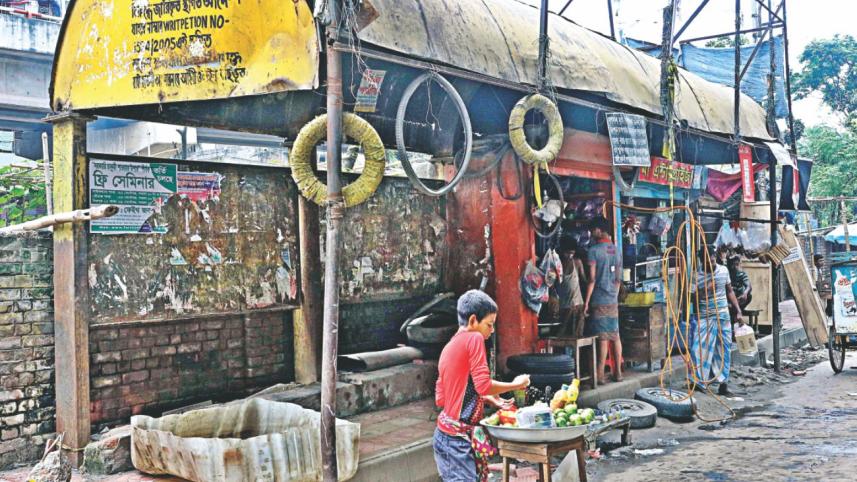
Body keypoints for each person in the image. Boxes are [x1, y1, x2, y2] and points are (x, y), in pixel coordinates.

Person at [433, 290, 530, 482]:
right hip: (456, 440)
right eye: (489, 324)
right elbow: (483, 385)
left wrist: (484, 398)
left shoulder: (450, 346)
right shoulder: (474, 338)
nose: (491, 330)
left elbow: (442, 398)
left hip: (444, 435)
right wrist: (515, 384)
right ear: (472, 321)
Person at [690, 249, 745, 397]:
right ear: (702, 260)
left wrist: (738, 311)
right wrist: (705, 289)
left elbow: (729, 291)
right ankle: (699, 382)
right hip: (704, 316)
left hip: (722, 315)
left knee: (723, 349)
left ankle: (723, 383)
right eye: (708, 260)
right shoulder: (696, 276)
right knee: (699, 349)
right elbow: (692, 299)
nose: (712, 262)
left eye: (713, 258)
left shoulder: (723, 271)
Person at [583, 217, 624, 383]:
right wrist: (614, 294)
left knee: (602, 337)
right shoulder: (616, 250)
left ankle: (599, 375)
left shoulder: (593, 251)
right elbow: (618, 279)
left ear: (599, 230)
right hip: (612, 298)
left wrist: (586, 302)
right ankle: (618, 373)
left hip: (599, 299)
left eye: (593, 230)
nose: (591, 233)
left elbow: (592, 279)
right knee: (615, 335)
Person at [555, 237, 587, 338]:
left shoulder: (577, 262)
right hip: (563, 308)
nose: (569, 256)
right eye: (567, 253)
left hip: (578, 307)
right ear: (562, 251)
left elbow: (584, 282)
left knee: (577, 338)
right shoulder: (557, 264)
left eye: (572, 253)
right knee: (562, 337)